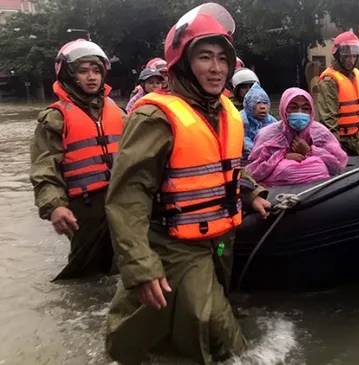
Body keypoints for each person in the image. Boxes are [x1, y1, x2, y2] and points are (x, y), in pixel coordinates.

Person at [103, 3, 271, 364]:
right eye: (205, 57)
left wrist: (251, 189)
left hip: (220, 240)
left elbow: (226, 167)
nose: (216, 69)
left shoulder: (225, 111)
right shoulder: (154, 117)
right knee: (218, 332)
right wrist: (139, 264)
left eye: (222, 59)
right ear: (183, 62)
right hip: (174, 243)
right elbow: (127, 196)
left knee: (205, 320)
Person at [29, 39, 125, 281]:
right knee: (84, 275)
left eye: (96, 71)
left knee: (126, 264)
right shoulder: (54, 118)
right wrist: (55, 206)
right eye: (83, 71)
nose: (91, 77)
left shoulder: (120, 113)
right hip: (85, 207)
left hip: (123, 201)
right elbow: (45, 168)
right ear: (70, 76)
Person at [246, 87, 348, 187]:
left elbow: (338, 166)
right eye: (293, 108)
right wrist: (282, 156)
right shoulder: (267, 134)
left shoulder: (320, 133)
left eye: (305, 108)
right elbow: (253, 172)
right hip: (279, 194)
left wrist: (310, 151)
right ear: (284, 109)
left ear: (311, 111)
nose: (300, 112)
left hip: (317, 191)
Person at [316, 31, 359, 156]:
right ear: (338, 55)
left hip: (354, 139)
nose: (351, 60)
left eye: (354, 56)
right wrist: (334, 146)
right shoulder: (329, 80)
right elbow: (328, 118)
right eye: (347, 56)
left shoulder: (357, 75)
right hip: (339, 141)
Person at [241, 82, 277, 159]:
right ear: (249, 105)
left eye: (265, 103)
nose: (262, 107)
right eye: (258, 103)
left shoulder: (271, 121)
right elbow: (243, 141)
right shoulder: (242, 119)